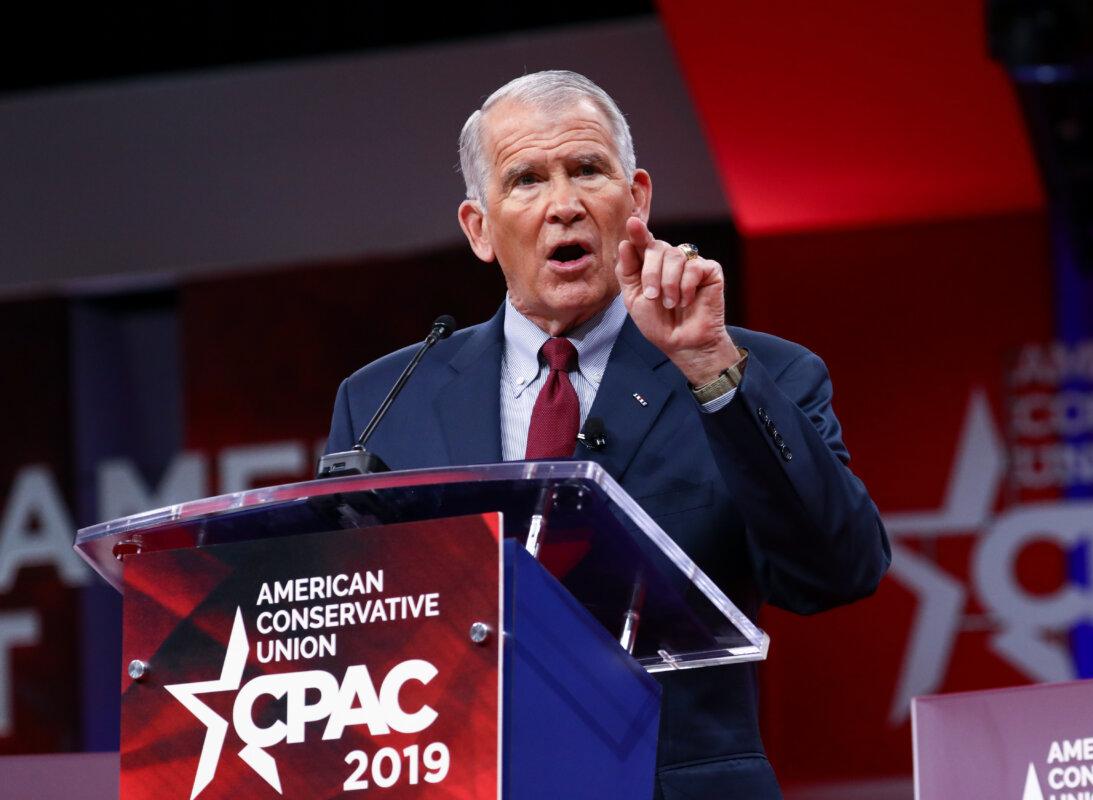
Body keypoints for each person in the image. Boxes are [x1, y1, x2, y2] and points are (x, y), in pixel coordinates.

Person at [325, 70, 890, 799]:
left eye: (588, 170)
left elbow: (839, 570)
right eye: (526, 180)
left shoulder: (760, 372)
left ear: (638, 199)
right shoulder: (383, 401)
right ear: (479, 228)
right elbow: (345, 634)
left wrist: (710, 368)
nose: (564, 205)